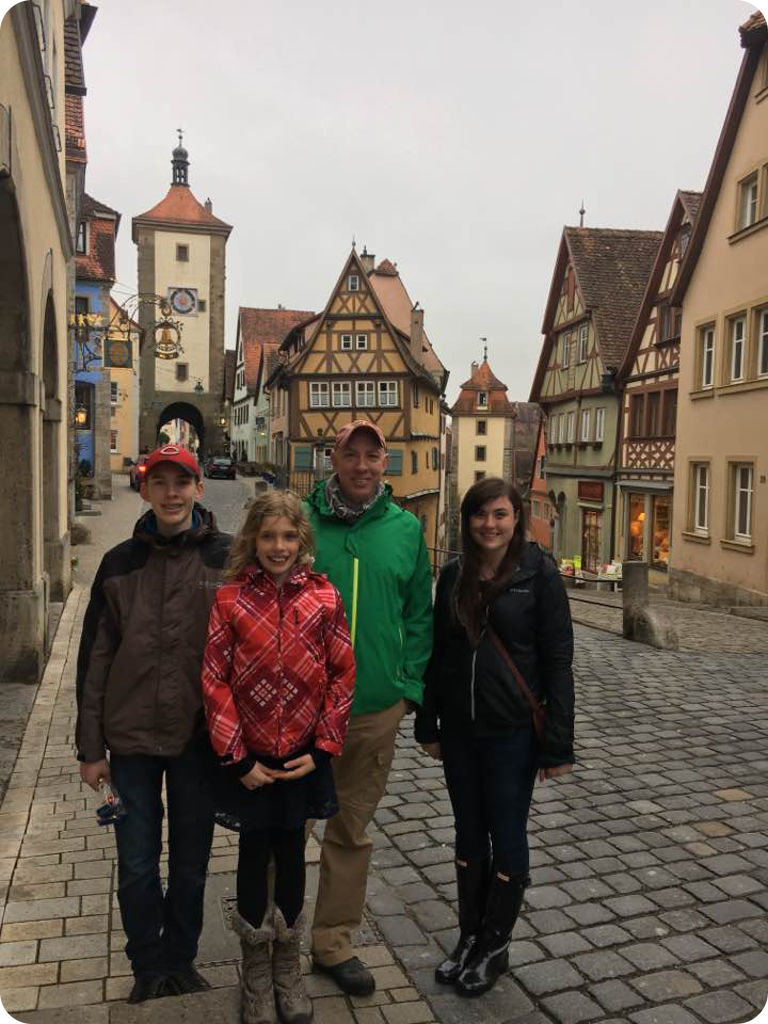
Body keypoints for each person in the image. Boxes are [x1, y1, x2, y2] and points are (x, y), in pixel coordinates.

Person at [75, 444, 231, 1004]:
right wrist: (90, 748)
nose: (171, 492)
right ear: (144, 490)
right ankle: (147, 965)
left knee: (191, 862)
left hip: (197, 739)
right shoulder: (120, 563)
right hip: (132, 739)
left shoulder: (227, 559)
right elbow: (95, 656)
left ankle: (182, 960)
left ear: (198, 488)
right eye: (159, 482)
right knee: (137, 864)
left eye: (181, 482)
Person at [415, 477, 575, 998]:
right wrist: (428, 722)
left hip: (511, 733)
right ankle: (469, 936)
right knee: (467, 832)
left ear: (517, 518)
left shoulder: (540, 574)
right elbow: (440, 654)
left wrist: (557, 744)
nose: (491, 524)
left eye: (501, 515)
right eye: (481, 515)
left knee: (506, 834)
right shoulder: (456, 572)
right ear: (468, 520)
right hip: (461, 730)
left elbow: (558, 662)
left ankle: (495, 945)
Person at [201, 491, 355, 1024]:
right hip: (253, 759)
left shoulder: (325, 598)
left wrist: (325, 746)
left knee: (293, 857)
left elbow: (342, 674)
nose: (279, 546)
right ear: (253, 540)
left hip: (301, 758)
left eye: (289, 536)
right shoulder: (230, 600)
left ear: (302, 541)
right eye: (268, 537)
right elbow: (214, 680)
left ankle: (287, 968)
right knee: (252, 856)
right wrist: (237, 758)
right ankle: (256, 973)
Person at [305, 420, 433, 996]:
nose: (361, 466)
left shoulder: (406, 529)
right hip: (301, 709)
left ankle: (333, 943)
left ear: (386, 464)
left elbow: (418, 613)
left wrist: (407, 687)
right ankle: (275, 940)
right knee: (286, 828)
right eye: (350, 454)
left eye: (372, 456)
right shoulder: (301, 521)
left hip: (374, 707)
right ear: (333, 458)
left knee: (350, 829)